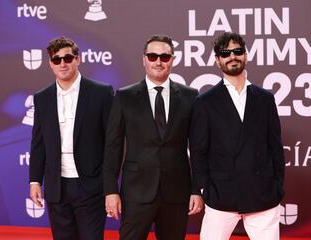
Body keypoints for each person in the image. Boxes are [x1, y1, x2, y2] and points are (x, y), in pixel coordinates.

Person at [103, 34, 203, 240]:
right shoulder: (125, 96)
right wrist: (110, 191)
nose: (158, 61)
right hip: (136, 192)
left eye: (164, 57)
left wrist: (196, 190)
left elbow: (198, 148)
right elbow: (112, 146)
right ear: (144, 59)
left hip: (176, 192)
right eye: (152, 56)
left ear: (172, 60)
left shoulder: (190, 96)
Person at [190, 32, 285, 240]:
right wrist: (204, 189)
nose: (232, 56)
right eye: (225, 53)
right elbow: (198, 151)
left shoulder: (265, 99)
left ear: (246, 55)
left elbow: (275, 147)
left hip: (263, 196)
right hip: (221, 197)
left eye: (237, 51)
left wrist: (277, 187)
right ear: (217, 60)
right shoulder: (204, 102)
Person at [29, 36, 113, 240]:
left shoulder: (101, 93)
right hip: (56, 187)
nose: (62, 64)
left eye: (67, 58)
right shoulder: (42, 97)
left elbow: (112, 141)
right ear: (50, 64)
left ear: (78, 59)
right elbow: (38, 143)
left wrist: (109, 185)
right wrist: (34, 181)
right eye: (56, 60)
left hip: (91, 186)